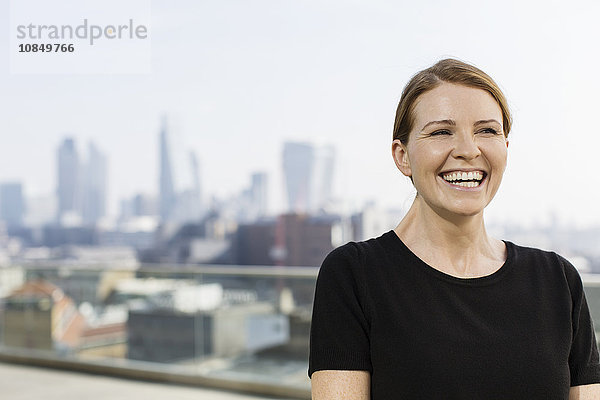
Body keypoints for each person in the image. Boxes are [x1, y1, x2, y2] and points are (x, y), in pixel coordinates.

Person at [308, 58, 600, 399]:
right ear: (402, 156)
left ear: (505, 148)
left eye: (487, 131)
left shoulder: (558, 280)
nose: (467, 150)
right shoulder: (353, 275)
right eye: (441, 132)